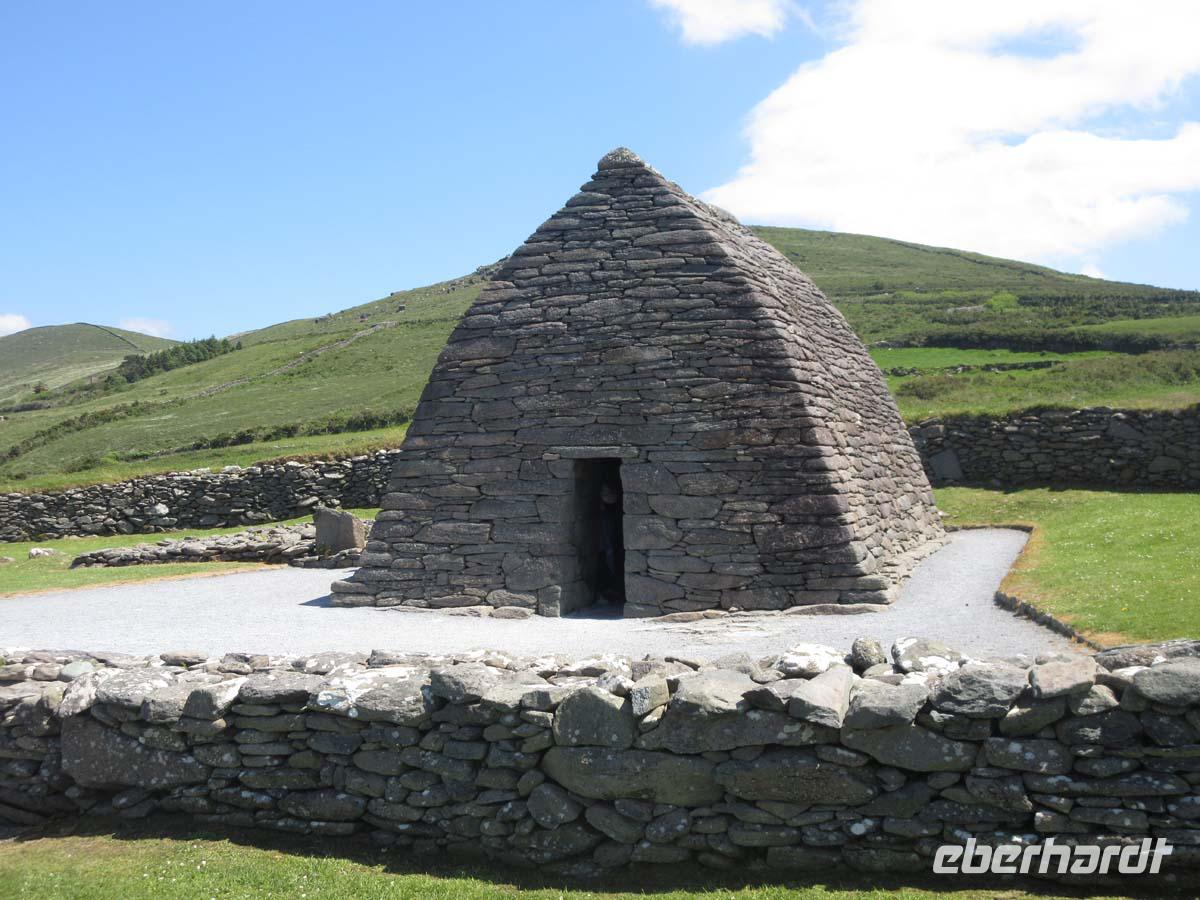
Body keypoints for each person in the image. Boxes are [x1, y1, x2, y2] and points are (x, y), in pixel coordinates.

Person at [596, 482, 623, 604]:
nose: (607, 496)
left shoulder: (616, 509)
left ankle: (614, 591)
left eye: (608, 493)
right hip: (606, 545)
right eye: (603, 493)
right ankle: (608, 591)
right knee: (607, 563)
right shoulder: (602, 512)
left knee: (614, 561)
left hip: (614, 544)